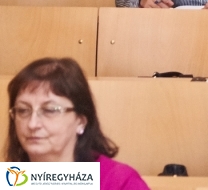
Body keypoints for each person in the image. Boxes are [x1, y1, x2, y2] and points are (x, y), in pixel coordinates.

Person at [6, 57, 148, 190]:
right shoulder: (12, 180)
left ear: (80, 121)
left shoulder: (119, 182)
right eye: (23, 110)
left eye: (50, 110)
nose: (32, 124)